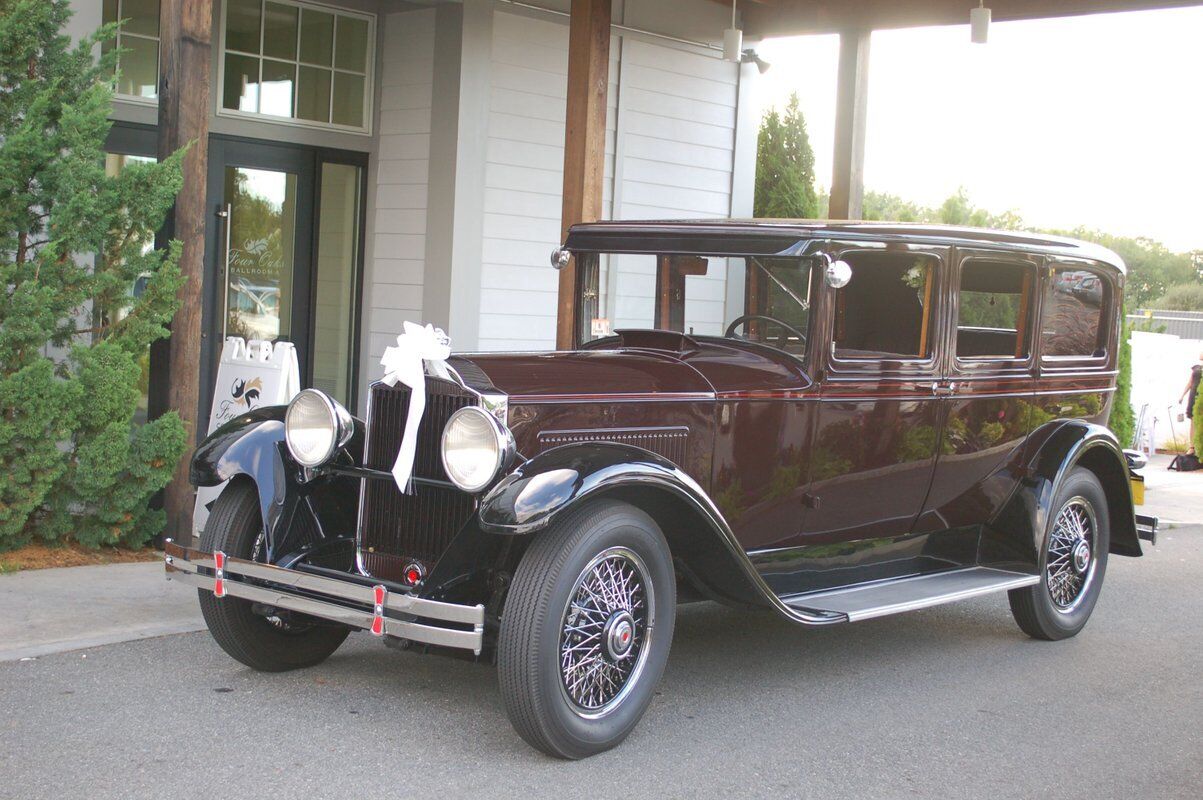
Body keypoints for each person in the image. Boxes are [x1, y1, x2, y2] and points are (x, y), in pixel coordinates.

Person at [1178, 354, 1203, 454]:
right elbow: (1190, 382)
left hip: (1201, 396)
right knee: (1193, 421)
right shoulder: (1196, 367)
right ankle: (1192, 447)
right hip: (1193, 395)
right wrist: (1182, 395)